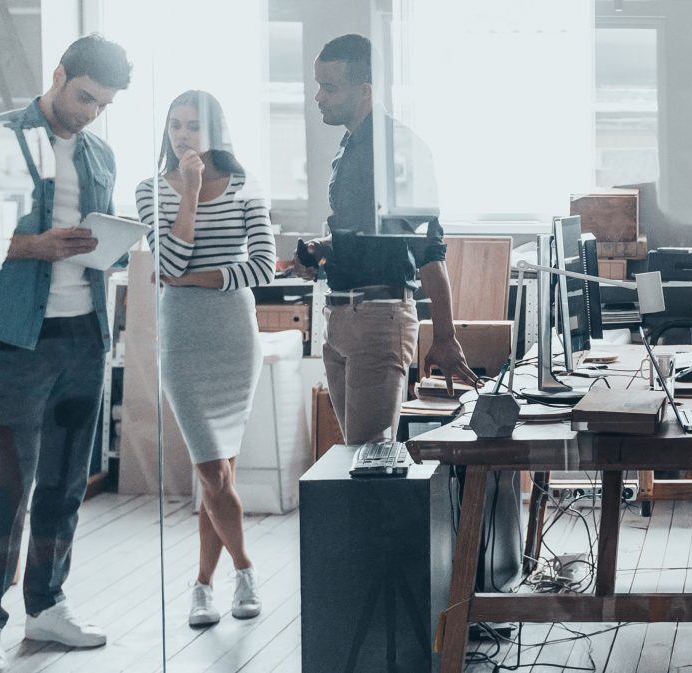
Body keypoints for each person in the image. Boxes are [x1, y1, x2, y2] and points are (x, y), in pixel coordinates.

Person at [0, 34, 131, 671]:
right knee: (8, 486)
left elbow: (99, 239)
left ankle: (47, 606)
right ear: (58, 74)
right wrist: (31, 247)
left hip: (86, 338)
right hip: (20, 339)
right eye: (84, 97)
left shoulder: (100, 153)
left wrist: (114, 246)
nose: (90, 112)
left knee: (67, 482)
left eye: (102, 104)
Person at [135, 90, 275, 628]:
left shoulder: (245, 186)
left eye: (193, 126)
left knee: (217, 476)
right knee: (214, 471)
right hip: (184, 338)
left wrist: (193, 280)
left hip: (234, 336)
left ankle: (201, 586)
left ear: (216, 131)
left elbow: (262, 267)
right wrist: (189, 191)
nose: (182, 135)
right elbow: (166, 256)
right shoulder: (151, 189)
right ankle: (245, 568)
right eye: (174, 125)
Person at [293, 34, 475, 444]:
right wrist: (319, 250)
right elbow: (363, 239)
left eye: (329, 87)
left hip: (377, 318)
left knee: (369, 460)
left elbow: (428, 250)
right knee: (356, 457)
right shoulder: (351, 147)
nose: (318, 97)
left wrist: (444, 335)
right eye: (317, 84)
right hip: (340, 317)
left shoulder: (400, 151)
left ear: (365, 91)